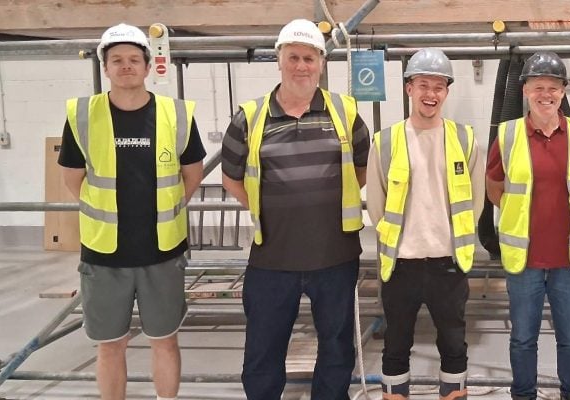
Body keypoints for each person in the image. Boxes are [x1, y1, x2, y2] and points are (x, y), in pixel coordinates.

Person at [220, 19, 370, 400]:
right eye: (293, 58)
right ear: (279, 60)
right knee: (262, 351)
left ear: (321, 62)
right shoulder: (250, 117)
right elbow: (231, 177)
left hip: (334, 257)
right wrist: (268, 210)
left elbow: (363, 170)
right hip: (272, 259)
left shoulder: (345, 112)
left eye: (309, 58)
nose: (301, 66)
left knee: (336, 349)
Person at [59, 23, 206, 400]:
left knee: (165, 341)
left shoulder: (176, 114)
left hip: (162, 251)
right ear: (105, 67)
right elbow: (72, 178)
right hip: (105, 255)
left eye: (134, 59)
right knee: (110, 345)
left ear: (147, 65)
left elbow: (192, 173)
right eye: (117, 60)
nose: (126, 66)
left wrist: (167, 208)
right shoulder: (83, 115)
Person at [366, 48, 485, 400]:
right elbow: (376, 205)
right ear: (409, 89)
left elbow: (475, 201)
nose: (430, 94)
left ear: (446, 91)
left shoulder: (464, 139)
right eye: (423, 85)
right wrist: (399, 242)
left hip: (448, 262)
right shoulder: (385, 142)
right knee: (396, 344)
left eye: (438, 86)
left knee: (453, 343)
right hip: (401, 263)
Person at [485, 51, 570, 400]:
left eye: (553, 88)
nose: (546, 95)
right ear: (525, 91)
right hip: (525, 260)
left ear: (564, 92)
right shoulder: (508, 136)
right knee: (523, 338)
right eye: (538, 87)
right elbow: (495, 190)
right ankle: (523, 395)